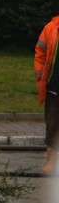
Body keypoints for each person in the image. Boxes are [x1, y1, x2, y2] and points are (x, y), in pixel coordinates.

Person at [34, 14, 59, 174]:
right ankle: (51, 162)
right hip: (54, 87)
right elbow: (40, 51)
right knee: (53, 124)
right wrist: (40, 76)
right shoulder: (51, 28)